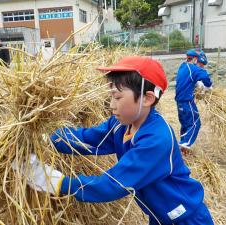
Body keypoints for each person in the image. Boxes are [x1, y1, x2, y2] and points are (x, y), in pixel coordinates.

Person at [13, 56, 214, 225]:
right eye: (111, 97)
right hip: (159, 216)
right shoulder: (120, 125)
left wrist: (56, 182)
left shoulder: (156, 139)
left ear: (147, 98)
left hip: (187, 218)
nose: (111, 105)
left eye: (117, 97)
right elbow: (87, 140)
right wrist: (46, 139)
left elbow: (113, 184)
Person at [175, 49, 212, 154]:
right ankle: (185, 144)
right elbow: (205, 76)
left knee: (186, 125)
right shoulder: (193, 68)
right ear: (195, 59)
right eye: (201, 64)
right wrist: (208, 87)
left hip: (179, 102)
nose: (202, 67)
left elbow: (187, 81)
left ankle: (182, 151)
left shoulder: (183, 67)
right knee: (195, 123)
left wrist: (196, 84)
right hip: (187, 102)